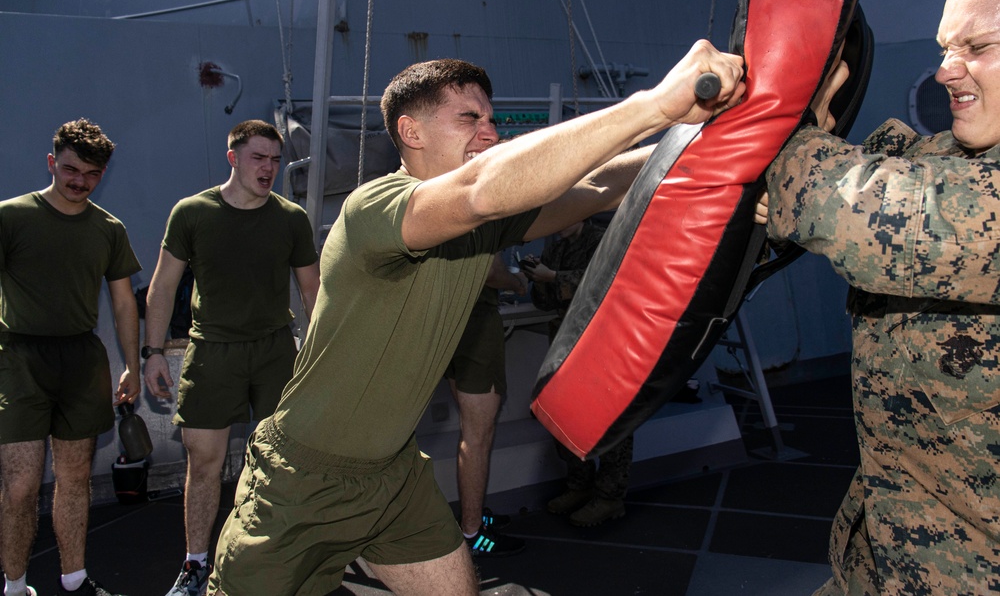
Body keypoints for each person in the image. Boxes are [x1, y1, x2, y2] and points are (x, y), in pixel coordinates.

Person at [209, 41, 746, 596]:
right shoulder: (374, 207)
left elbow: (596, 186)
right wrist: (656, 105)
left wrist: (697, 138)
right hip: (304, 476)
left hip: (393, 474)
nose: (489, 132)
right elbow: (480, 192)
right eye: (469, 118)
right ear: (411, 132)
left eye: (491, 119)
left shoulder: (482, 223)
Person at [765, 0, 1000, 594]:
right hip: (881, 559)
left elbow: (868, 210)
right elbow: (884, 163)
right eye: (945, 47)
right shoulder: (953, 159)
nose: (947, 71)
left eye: (976, 49)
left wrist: (788, 131)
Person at [142, 120, 320, 596]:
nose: (269, 169)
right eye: (259, 158)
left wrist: (320, 354)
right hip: (212, 351)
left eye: (276, 160)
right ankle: (195, 564)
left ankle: (272, 558)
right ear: (233, 157)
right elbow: (161, 287)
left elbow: (312, 291)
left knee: (277, 462)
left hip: (273, 352)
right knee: (204, 461)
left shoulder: (290, 219)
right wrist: (153, 353)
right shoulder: (193, 213)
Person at [0, 119, 141, 596]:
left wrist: (133, 366)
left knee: (75, 478)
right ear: (51, 163)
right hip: (18, 359)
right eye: (70, 169)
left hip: (81, 361)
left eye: (91, 174)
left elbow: (124, 303)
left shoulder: (108, 229)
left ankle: (74, 580)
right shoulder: (11, 217)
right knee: (19, 488)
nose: (79, 180)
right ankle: (15, 586)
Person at [523, 219, 634, 527]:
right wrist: (539, 277)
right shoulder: (556, 249)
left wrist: (555, 276)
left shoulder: (604, 239)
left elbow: (606, 281)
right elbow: (543, 301)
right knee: (567, 417)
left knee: (608, 420)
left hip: (601, 342)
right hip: (566, 344)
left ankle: (610, 497)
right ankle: (579, 485)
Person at [444, 253, 528, 557]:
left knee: (471, 432)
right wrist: (518, 283)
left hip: (446, 321)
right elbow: (491, 271)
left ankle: (473, 516)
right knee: (478, 437)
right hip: (476, 324)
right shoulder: (478, 211)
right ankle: (473, 533)